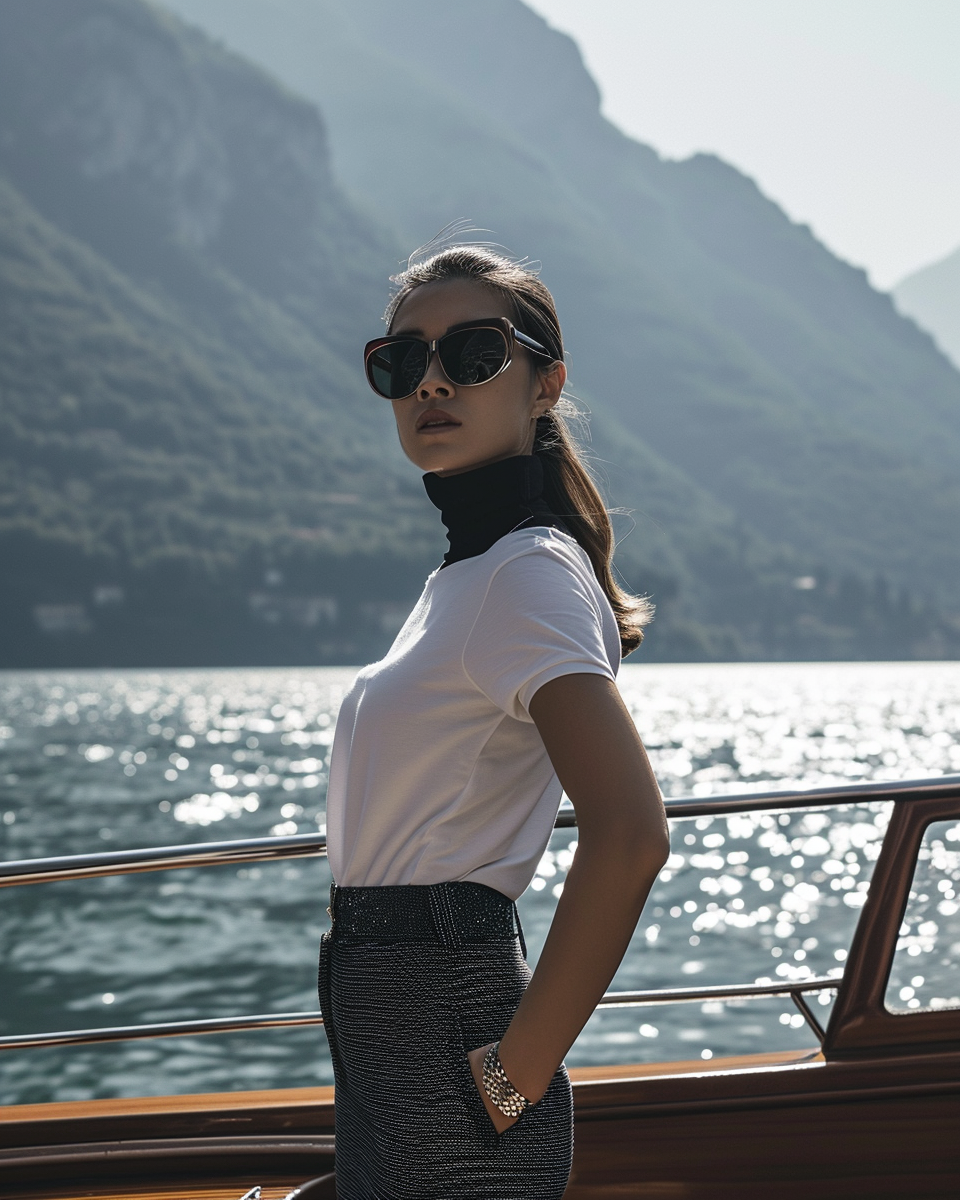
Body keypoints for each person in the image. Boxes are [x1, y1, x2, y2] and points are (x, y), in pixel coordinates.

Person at [319, 245, 669, 1199]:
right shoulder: (469, 577)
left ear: (544, 382)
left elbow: (632, 835)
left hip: (448, 1027)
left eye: (472, 354)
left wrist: (510, 1084)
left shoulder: (522, 573)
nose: (430, 380)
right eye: (402, 361)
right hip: (394, 1020)